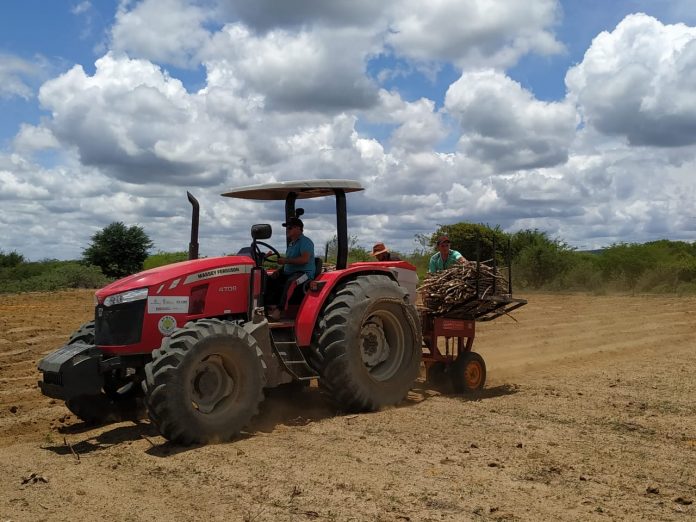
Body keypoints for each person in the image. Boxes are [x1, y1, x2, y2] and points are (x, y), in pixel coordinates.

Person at [265, 217, 315, 319]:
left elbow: (304, 259)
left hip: (304, 274)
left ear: (298, 228)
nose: (287, 230)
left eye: (290, 228)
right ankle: (270, 306)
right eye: (287, 228)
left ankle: (280, 310)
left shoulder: (305, 242)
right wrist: (279, 271)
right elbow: (289, 263)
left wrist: (286, 261)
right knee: (269, 279)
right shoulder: (292, 244)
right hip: (291, 272)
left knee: (291, 282)